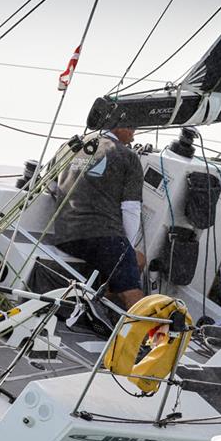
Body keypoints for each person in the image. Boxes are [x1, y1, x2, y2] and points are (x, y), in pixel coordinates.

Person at [55, 126, 145, 309]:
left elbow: (50, 186)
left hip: (64, 236)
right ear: (120, 126)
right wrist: (126, 248)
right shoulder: (127, 156)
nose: (133, 138)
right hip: (100, 238)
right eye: (133, 130)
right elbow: (131, 209)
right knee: (133, 292)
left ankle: (101, 309)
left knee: (139, 259)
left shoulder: (69, 146)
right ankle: (146, 334)